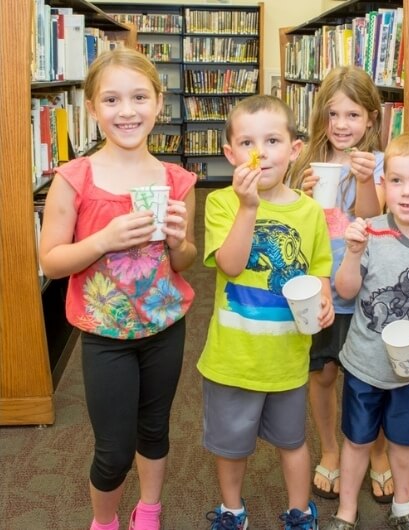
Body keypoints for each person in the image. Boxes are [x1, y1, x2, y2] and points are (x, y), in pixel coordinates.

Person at [39, 48, 197, 530]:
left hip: (165, 326)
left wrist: (176, 239)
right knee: (112, 447)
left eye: (139, 97)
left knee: (154, 430)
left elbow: (185, 260)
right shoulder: (74, 178)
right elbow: (50, 260)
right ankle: (104, 520)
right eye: (111, 99)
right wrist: (103, 240)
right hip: (104, 335)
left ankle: (148, 509)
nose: (127, 111)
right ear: (91, 107)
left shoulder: (175, 179)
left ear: (158, 102)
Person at [197, 94, 335, 530]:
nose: (260, 153)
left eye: (273, 140)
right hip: (233, 359)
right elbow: (231, 264)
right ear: (230, 153)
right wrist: (249, 206)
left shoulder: (310, 212)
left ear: (295, 149)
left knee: (293, 442)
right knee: (231, 446)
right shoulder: (222, 204)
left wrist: (325, 297)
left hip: (287, 361)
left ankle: (300, 511)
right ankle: (233, 510)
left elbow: (318, 268)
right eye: (248, 143)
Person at [322, 131, 409, 530]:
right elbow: (346, 291)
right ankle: (346, 511)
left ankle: (404, 506)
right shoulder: (371, 231)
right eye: (397, 180)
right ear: (383, 184)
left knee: (405, 443)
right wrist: (352, 255)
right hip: (365, 365)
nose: (407, 193)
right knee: (356, 440)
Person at [288, 66, 394, 503]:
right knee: (324, 373)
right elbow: (291, 223)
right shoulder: (306, 162)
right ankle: (330, 448)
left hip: (367, 292)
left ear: (371, 118)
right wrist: (301, 192)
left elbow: (373, 216)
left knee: (371, 378)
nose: (342, 125)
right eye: (333, 115)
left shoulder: (381, 163)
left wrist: (366, 177)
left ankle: (378, 452)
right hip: (320, 291)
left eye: (353, 115)